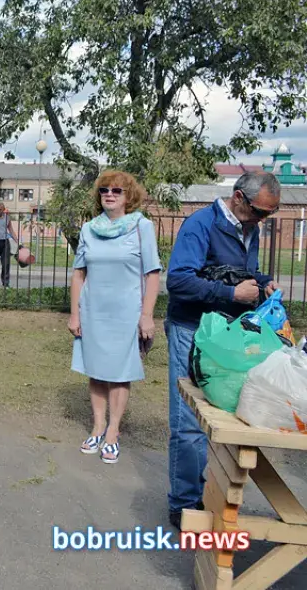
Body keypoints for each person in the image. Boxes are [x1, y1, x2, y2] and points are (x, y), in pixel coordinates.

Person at [165, 171, 281, 529]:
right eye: (260, 212)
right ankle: (184, 505)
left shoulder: (251, 228)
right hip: (192, 329)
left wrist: (262, 283)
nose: (263, 220)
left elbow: (236, 272)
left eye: (267, 215)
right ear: (238, 198)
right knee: (189, 422)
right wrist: (231, 295)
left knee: (225, 417)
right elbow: (178, 280)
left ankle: (212, 493)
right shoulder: (200, 225)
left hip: (228, 336)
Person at [68, 171, 162, 465]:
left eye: (117, 190)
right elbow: (79, 273)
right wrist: (75, 313)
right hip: (93, 310)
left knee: (120, 372)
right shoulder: (89, 229)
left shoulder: (141, 227)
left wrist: (147, 315)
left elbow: (152, 274)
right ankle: (97, 426)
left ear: (128, 196)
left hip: (127, 312)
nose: (109, 194)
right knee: (96, 369)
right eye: (105, 190)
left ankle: (113, 431)